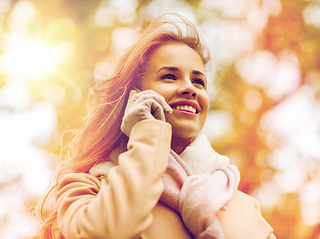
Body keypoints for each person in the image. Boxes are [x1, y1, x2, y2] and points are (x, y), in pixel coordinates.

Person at [38, 13, 276, 239]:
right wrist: (146, 140)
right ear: (133, 97)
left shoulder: (241, 202)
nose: (190, 88)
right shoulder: (88, 186)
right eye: (169, 76)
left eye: (198, 81)